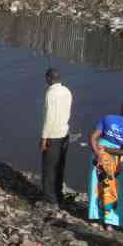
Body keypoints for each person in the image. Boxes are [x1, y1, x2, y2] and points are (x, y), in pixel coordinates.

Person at [88, 101, 123, 231]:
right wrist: (109, 149)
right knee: (115, 189)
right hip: (117, 160)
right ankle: (110, 223)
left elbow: (93, 138)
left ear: (122, 110)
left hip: (98, 155)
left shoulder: (107, 118)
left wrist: (98, 152)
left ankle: (94, 218)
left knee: (96, 186)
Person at [40, 68, 72, 209]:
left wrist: (44, 138)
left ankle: (50, 201)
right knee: (59, 166)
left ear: (49, 78)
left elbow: (49, 118)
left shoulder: (51, 93)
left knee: (48, 168)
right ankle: (59, 196)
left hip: (53, 135)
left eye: (46, 78)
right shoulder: (67, 91)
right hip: (64, 133)